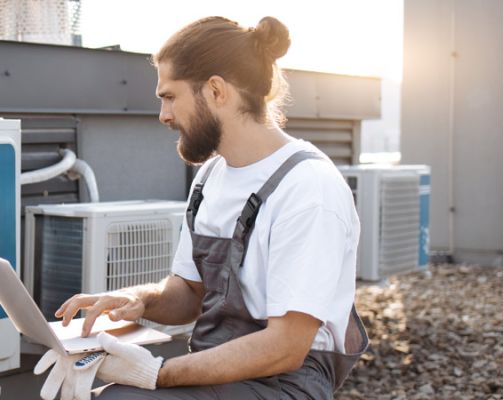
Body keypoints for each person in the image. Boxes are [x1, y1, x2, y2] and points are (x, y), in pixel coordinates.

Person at [47, 15, 368, 399]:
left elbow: (285, 347)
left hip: (284, 385)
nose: (164, 115)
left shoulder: (308, 189)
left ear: (216, 90)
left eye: (170, 97)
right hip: (215, 374)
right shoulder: (211, 175)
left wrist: (154, 372)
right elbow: (189, 292)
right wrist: (137, 300)